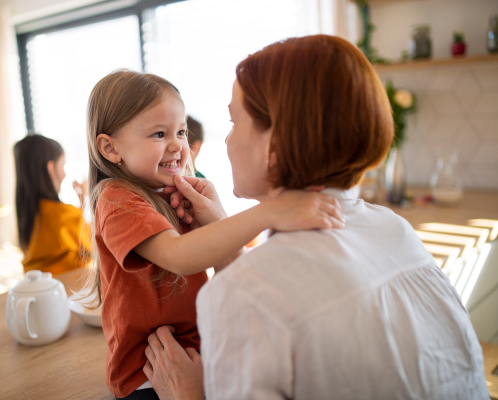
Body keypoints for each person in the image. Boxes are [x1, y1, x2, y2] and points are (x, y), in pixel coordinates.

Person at [143, 35, 489, 400]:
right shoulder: (394, 229)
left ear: (272, 145)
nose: (227, 142)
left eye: (234, 122)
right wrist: (228, 252)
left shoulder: (237, 297)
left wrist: (190, 396)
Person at [83, 69, 345, 400]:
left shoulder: (170, 194)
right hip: (146, 373)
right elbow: (178, 256)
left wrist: (216, 217)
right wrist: (268, 211)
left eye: (180, 131)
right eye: (159, 134)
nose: (178, 144)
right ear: (110, 148)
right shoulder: (116, 198)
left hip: (197, 352)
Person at [14, 134, 91, 276]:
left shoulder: (28, 213)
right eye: (62, 165)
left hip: (37, 282)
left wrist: (81, 203)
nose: (64, 174)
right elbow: (90, 248)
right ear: (51, 168)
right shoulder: (63, 213)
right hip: (69, 284)